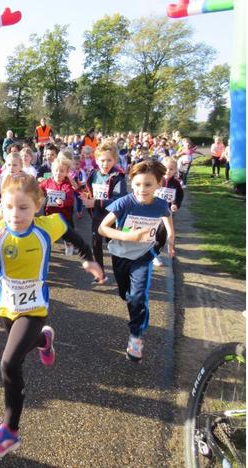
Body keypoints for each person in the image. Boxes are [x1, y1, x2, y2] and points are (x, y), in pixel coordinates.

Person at [0, 173, 103, 458]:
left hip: (35, 306)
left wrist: (89, 260)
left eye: (24, 208)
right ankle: (43, 340)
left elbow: (74, 237)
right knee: (21, 348)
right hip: (6, 305)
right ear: (1, 206)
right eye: (9, 207)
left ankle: (9, 432)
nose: (16, 214)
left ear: (38, 205)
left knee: (9, 363)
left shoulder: (46, 227)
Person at [97, 160, 176, 362]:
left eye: (148, 185)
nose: (143, 189)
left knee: (139, 295)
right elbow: (102, 228)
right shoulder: (125, 202)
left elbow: (167, 220)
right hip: (121, 254)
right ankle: (135, 307)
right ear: (132, 183)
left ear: (158, 184)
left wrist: (171, 239)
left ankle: (136, 337)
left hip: (143, 256)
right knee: (127, 295)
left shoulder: (160, 204)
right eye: (138, 184)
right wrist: (127, 237)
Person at [79, 141, 127, 284]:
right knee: (96, 244)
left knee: (113, 246)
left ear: (115, 160)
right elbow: (88, 191)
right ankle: (100, 274)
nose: (105, 164)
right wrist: (86, 198)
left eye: (109, 160)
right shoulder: (94, 174)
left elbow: (119, 200)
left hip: (112, 218)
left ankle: (120, 271)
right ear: (96, 159)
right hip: (97, 217)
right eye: (102, 160)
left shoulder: (118, 177)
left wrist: (96, 202)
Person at [40, 154, 78, 255]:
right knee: (49, 231)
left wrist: (63, 202)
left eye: (62, 171)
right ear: (52, 170)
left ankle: (69, 244)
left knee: (66, 231)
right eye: (56, 170)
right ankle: (47, 244)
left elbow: (70, 200)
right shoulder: (47, 182)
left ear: (66, 172)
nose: (58, 173)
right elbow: (39, 189)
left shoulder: (67, 185)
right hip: (50, 213)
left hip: (64, 214)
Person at [153, 157, 185, 267]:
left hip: (166, 213)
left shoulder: (176, 183)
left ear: (175, 170)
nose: (168, 171)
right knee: (151, 232)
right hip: (153, 211)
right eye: (166, 168)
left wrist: (176, 204)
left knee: (162, 234)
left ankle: (155, 254)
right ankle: (146, 251)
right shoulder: (155, 179)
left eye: (171, 169)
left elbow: (180, 195)